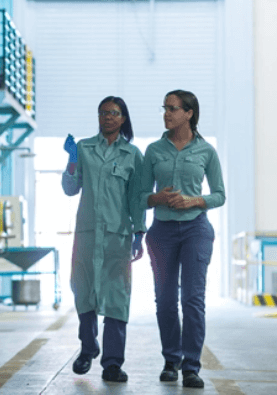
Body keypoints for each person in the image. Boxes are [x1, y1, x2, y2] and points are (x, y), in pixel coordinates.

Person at [140, 89, 225, 389]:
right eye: (164, 108)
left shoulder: (206, 151)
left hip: (195, 231)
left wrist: (193, 201)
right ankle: (170, 360)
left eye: (173, 108)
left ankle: (191, 366)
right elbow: (139, 195)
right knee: (164, 300)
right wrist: (156, 197)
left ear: (189, 113)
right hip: (162, 232)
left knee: (192, 299)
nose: (166, 113)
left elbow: (219, 195)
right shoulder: (153, 151)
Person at [62, 96, 146, 383]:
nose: (107, 117)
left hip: (117, 238)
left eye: (113, 113)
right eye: (103, 113)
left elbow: (137, 198)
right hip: (87, 236)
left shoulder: (133, 155)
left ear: (123, 118)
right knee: (83, 291)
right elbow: (70, 189)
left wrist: (139, 233)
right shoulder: (84, 148)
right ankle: (88, 349)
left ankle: (112, 363)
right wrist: (72, 160)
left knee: (117, 298)